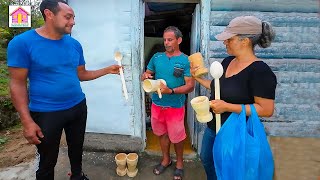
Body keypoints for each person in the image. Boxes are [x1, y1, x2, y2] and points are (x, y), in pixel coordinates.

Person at [7, 0, 121, 179]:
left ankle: (77, 175)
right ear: (49, 14)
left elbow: (81, 74)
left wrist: (108, 70)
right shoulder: (22, 43)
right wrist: (27, 122)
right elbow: (17, 84)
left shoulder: (74, 44)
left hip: (77, 107)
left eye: (74, 17)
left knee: (77, 150)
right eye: (68, 17)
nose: (73, 21)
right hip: (46, 112)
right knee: (48, 160)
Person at [191, 16, 277, 179]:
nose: (225, 42)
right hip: (213, 127)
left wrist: (227, 107)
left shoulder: (260, 72)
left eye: (229, 39)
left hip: (237, 133)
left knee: (230, 170)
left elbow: (266, 110)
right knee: (208, 160)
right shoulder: (227, 61)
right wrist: (197, 78)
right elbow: (219, 88)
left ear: (244, 41)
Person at [141, 26, 195, 180]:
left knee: (177, 137)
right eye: (165, 40)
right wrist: (145, 76)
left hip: (175, 106)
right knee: (162, 134)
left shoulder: (185, 60)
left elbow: (190, 86)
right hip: (157, 104)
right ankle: (166, 160)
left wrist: (170, 91)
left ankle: (179, 164)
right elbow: (147, 74)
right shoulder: (157, 58)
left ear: (179, 40)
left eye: (170, 39)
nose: (166, 43)